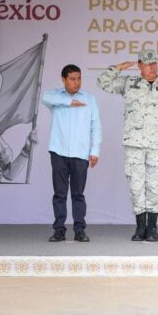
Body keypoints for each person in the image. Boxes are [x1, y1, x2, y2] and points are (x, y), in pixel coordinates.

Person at [97, 49, 158, 242]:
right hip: (134, 144)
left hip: (157, 145)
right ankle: (139, 227)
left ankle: (152, 228)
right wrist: (118, 68)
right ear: (139, 66)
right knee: (136, 186)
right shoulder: (129, 84)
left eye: (154, 63)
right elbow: (103, 82)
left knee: (155, 185)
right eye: (147, 64)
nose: (151, 67)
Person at [41, 64, 102, 242]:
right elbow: (45, 97)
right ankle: (59, 229)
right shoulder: (55, 97)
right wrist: (69, 102)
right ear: (64, 79)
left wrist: (95, 151)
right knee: (59, 193)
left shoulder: (89, 99)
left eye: (79, 78)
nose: (77, 82)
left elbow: (95, 127)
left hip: (80, 153)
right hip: (58, 151)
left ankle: (79, 229)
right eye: (73, 79)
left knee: (78, 194)